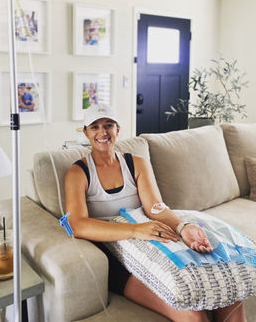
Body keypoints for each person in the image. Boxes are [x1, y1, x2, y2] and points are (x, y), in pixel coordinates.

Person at [65, 104, 246, 322]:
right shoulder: (78, 172)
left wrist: (182, 227)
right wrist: (135, 230)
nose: (102, 132)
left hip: (150, 239)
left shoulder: (136, 163)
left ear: (118, 129)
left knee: (231, 293)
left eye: (108, 125)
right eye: (94, 127)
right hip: (117, 258)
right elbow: (76, 224)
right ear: (86, 132)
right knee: (193, 315)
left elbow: (155, 208)